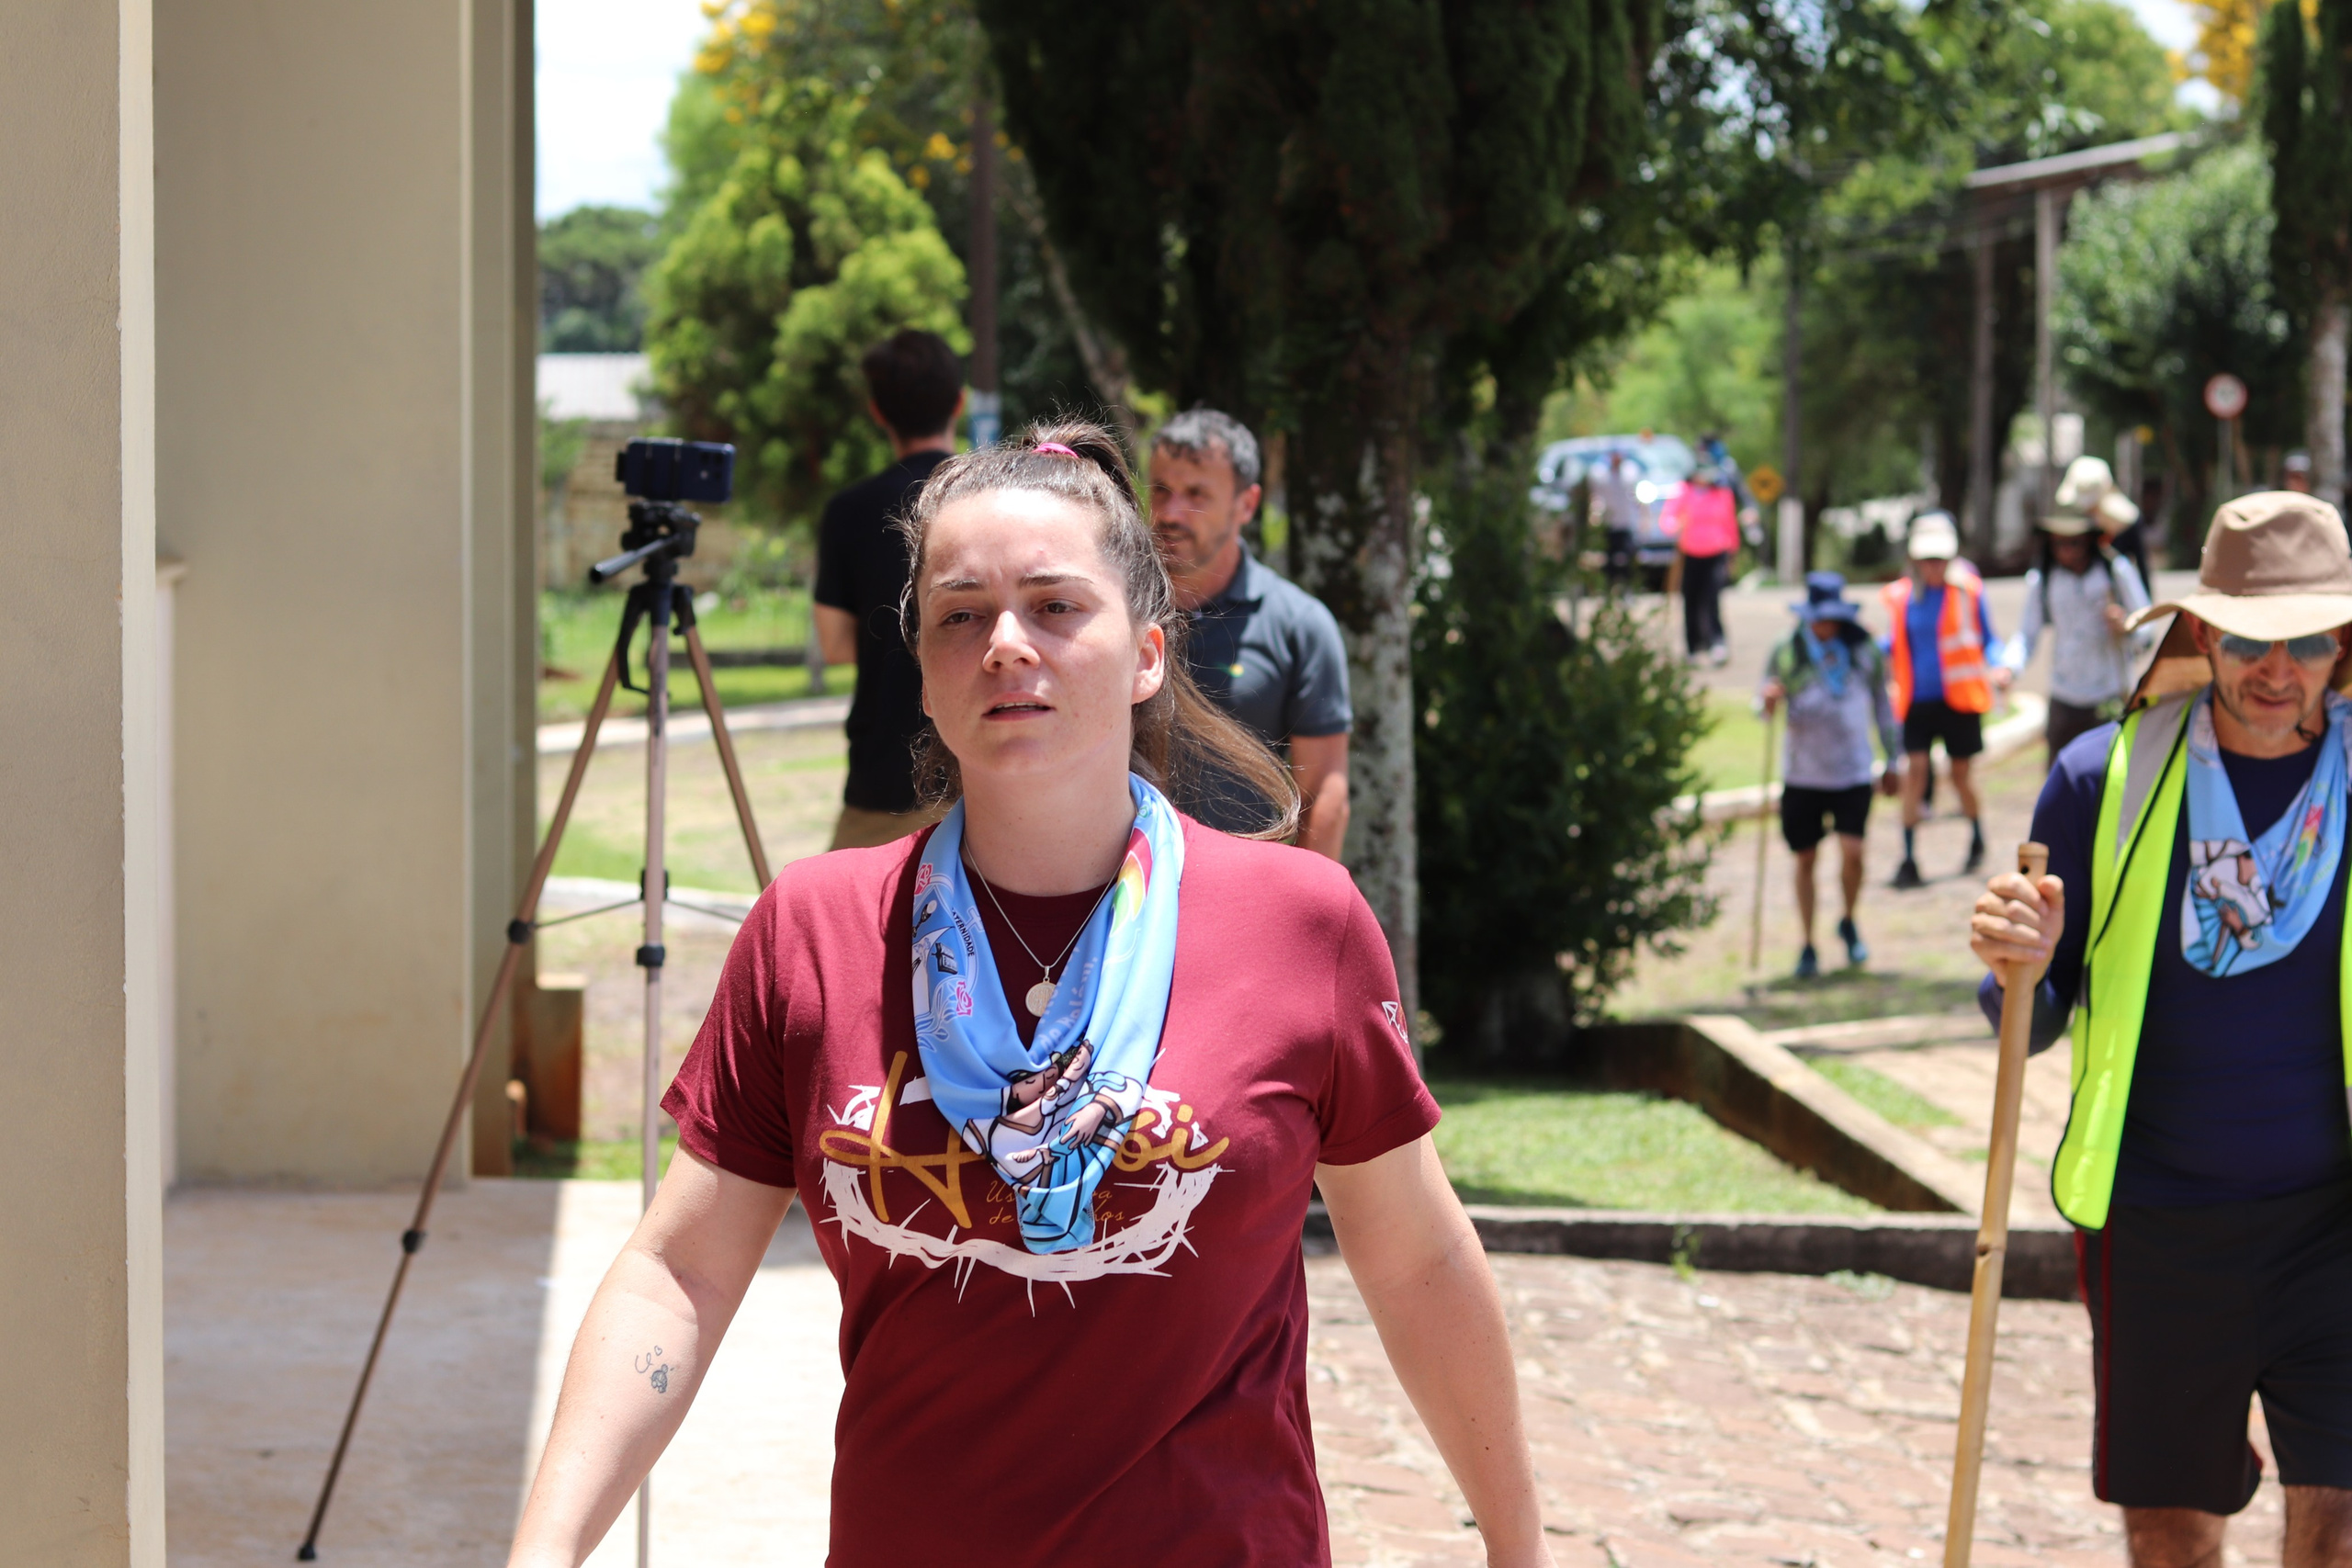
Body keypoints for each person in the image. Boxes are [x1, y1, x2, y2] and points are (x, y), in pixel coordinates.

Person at [505, 423, 1554, 1568]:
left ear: (1146, 654)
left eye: (1055, 606)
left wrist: (1518, 1553)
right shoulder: (812, 930)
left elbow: (1416, 1264)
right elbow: (680, 1272)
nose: (1006, 644)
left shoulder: (1301, 922)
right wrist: (541, 1553)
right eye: (960, 616)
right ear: (923, 667)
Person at [1969, 491, 2352, 1568]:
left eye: (2306, 642)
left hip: (2335, 1227)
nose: (2275, 670)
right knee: (2171, 1537)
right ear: (2199, 633)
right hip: (2158, 1225)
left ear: (2342, 646)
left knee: (2339, 1531)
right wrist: (2016, 969)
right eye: (2248, 639)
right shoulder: (2103, 779)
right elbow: (2030, 1022)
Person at [1147, 409, 1352, 858]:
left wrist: (1304, 898)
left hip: (1244, 887)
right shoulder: (1117, 611)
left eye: (1196, 494)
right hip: (1124, 887)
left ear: (1247, 504)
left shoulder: (1300, 625)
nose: (1170, 512)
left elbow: (1322, 792)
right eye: (1161, 489)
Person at [812, 329, 966, 851]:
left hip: (881, 780)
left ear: (878, 412)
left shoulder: (848, 512)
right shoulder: (991, 500)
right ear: (959, 403)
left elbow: (834, 644)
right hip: (978, 774)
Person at [1760, 572, 1904, 978]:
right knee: (1805, 857)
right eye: (1819, 617)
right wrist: (1768, 702)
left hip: (1853, 770)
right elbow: (1762, 705)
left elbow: (1883, 704)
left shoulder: (1864, 649)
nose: (1826, 625)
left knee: (1854, 852)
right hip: (1803, 774)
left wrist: (1892, 759)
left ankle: (1849, 919)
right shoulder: (1787, 650)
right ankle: (1807, 942)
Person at [1884, 511, 2007, 888]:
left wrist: (2000, 666)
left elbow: (1989, 639)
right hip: (1917, 701)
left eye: (1940, 558)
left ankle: (1977, 836)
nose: (1934, 566)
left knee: (1960, 776)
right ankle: (1908, 857)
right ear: (1916, 560)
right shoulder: (1902, 597)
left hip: (1959, 701)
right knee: (1915, 772)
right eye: (1928, 559)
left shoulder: (1967, 592)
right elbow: (1894, 644)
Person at [2004, 502, 2153, 766]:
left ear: (2089, 541)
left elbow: (2147, 629)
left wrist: (2126, 626)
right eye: (2058, 543)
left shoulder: (2115, 571)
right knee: (2060, 774)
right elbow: (2027, 633)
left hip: (2108, 695)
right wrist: (2009, 667)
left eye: (2074, 543)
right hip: (2065, 697)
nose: (2066, 550)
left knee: (2109, 775)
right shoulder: (2044, 579)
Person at [1667, 462, 1740, 665]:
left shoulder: (1723, 494)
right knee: (1690, 600)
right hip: (1690, 553)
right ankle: (1693, 646)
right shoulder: (1683, 492)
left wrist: (1733, 553)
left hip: (1715, 553)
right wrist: (1674, 525)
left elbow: (1730, 524)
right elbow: (1669, 518)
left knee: (1712, 599)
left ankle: (1717, 642)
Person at [1594, 447, 1643, 588]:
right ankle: (1609, 587)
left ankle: (1628, 587)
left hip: (1627, 522)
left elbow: (1638, 497)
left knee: (1629, 556)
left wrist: (1642, 517)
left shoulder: (1631, 473)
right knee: (1608, 558)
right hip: (1609, 522)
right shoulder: (1602, 475)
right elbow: (1597, 498)